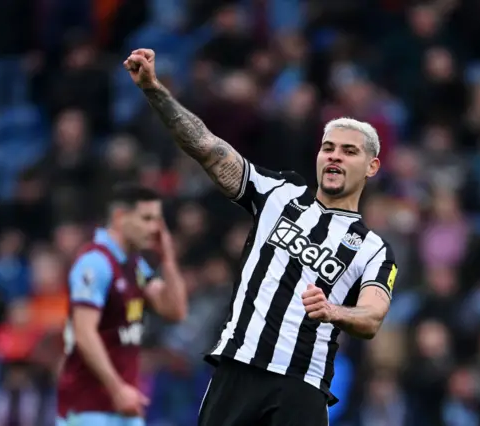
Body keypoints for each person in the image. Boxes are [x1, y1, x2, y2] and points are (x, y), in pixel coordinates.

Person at [124, 49, 398, 426]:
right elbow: (207, 147)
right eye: (328, 148)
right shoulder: (278, 193)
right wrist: (155, 90)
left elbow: (372, 316)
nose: (334, 157)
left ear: (372, 166)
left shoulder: (373, 250)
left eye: (348, 151)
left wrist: (333, 311)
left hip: (301, 384)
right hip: (237, 367)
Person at [56, 184, 188, 426]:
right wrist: (117, 389)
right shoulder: (95, 262)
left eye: (158, 220)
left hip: (124, 406)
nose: (154, 228)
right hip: (88, 409)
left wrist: (168, 259)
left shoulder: (135, 265)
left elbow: (175, 311)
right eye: (147, 219)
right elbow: (84, 333)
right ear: (119, 217)